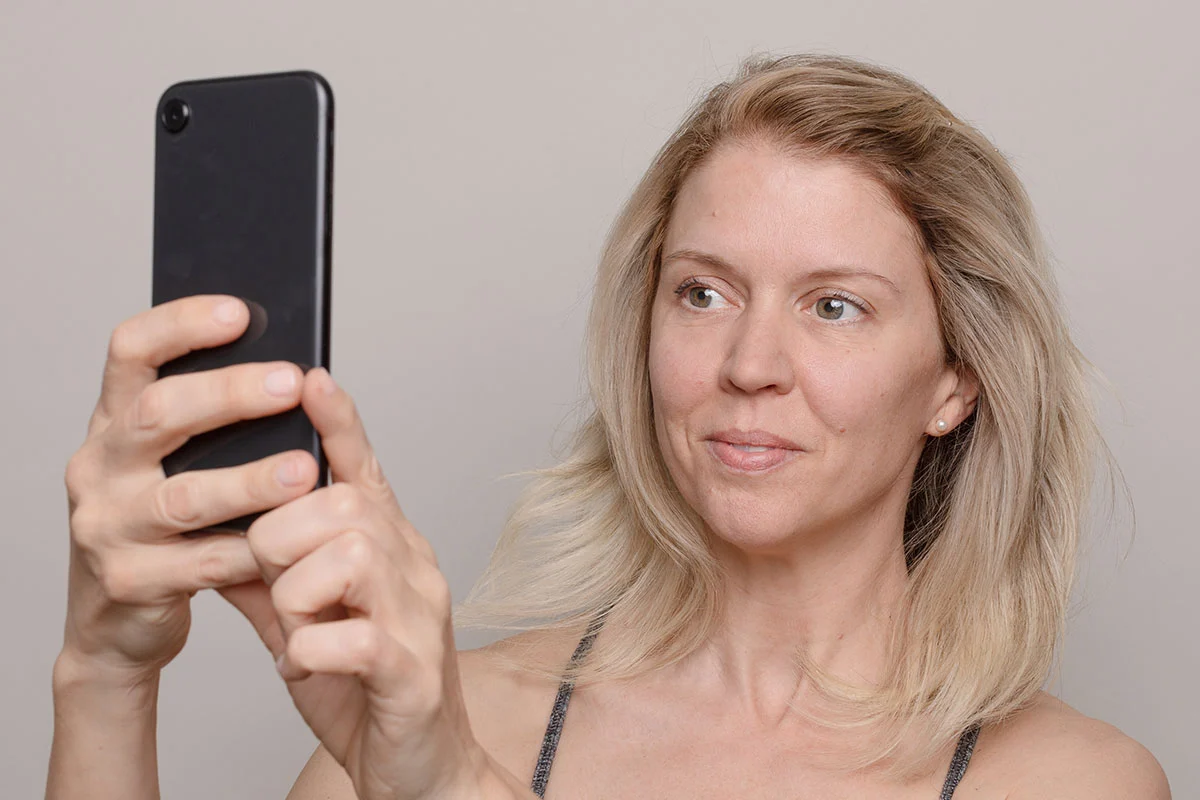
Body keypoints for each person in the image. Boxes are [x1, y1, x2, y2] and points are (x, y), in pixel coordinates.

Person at [48, 53, 1171, 799]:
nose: (747, 365)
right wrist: (104, 674)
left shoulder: (1071, 779)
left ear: (954, 380)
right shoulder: (431, 711)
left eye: (834, 306)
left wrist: (448, 785)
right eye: (703, 291)